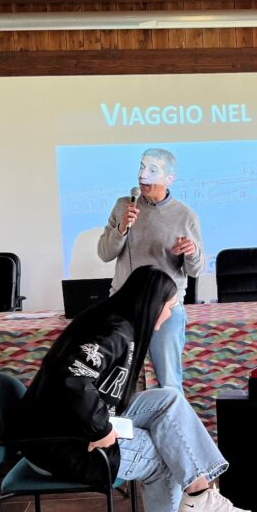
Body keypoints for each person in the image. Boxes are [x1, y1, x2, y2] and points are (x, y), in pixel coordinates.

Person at [18, 265, 254, 512]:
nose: (169, 316)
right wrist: (100, 429)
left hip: (67, 425)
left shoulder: (116, 321)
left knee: (168, 399)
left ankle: (200, 493)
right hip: (63, 445)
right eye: (169, 308)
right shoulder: (114, 330)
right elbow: (72, 381)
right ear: (152, 304)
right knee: (165, 457)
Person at [97, 148, 204, 392]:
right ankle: (128, 430)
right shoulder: (124, 206)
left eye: (152, 170)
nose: (143, 175)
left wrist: (191, 252)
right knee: (120, 382)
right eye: (141, 167)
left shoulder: (185, 216)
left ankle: (171, 428)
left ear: (169, 179)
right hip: (123, 307)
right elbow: (104, 253)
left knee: (169, 383)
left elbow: (196, 269)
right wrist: (122, 228)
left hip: (164, 310)